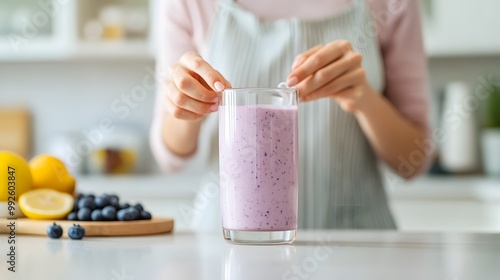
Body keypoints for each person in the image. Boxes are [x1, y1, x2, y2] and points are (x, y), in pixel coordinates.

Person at [150, 0, 431, 230]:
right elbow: (171, 156)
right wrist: (187, 104)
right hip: (231, 244)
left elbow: (414, 159)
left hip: (357, 245)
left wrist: (364, 99)